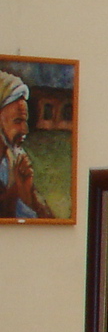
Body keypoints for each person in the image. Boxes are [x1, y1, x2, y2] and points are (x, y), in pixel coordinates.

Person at [1, 71, 53, 221]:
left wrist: (31, 198)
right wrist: (15, 191)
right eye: (18, 121)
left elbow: (50, 223)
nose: (25, 130)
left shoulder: (13, 161)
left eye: (25, 121)